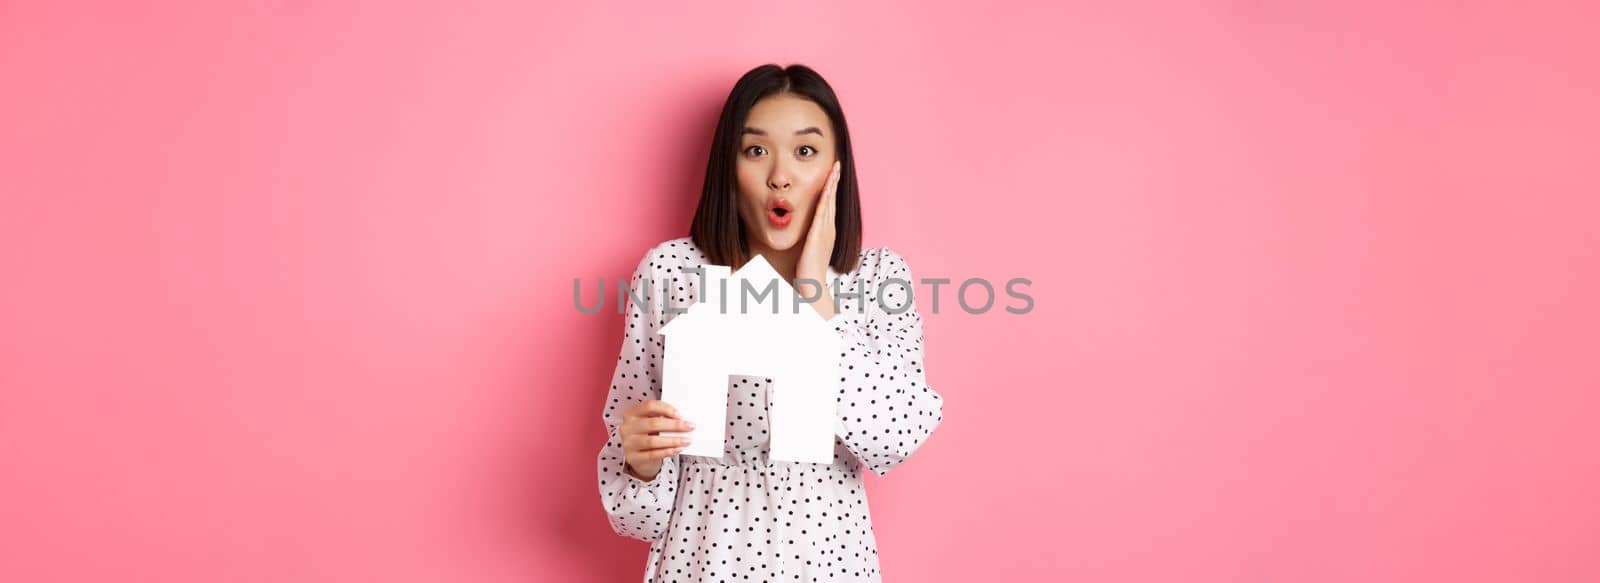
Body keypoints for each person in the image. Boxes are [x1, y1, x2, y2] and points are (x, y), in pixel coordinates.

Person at [596, 63, 945, 582]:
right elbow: (636, 515)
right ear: (728, 167)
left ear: (836, 169)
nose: (779, 174)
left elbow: (895, 435)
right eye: (755, 150)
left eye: (805, 151)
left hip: (830, 564)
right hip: (700, 561)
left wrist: (813, 297)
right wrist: (640, 465)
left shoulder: (877, 278)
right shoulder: (672, 273)